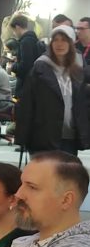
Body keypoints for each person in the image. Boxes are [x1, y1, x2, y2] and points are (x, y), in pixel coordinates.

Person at [16, 25, 90, 156]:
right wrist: (23, 137)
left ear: (71, 43)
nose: (59, 44)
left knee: (67, 169)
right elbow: (27, 104)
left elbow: (82, 103)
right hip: (44, 137)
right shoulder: (40, 68)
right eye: (56, 40)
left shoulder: (77, 71)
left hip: (70, 137)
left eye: (64, 40)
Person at [10, 13, 42, 97]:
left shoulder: (25, 42)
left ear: (17, 27)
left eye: (13, 30)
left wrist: (13, 66)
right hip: (32, 84)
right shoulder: (32, 39)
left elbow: (26, 66)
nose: (14, 33)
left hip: (25, 85)